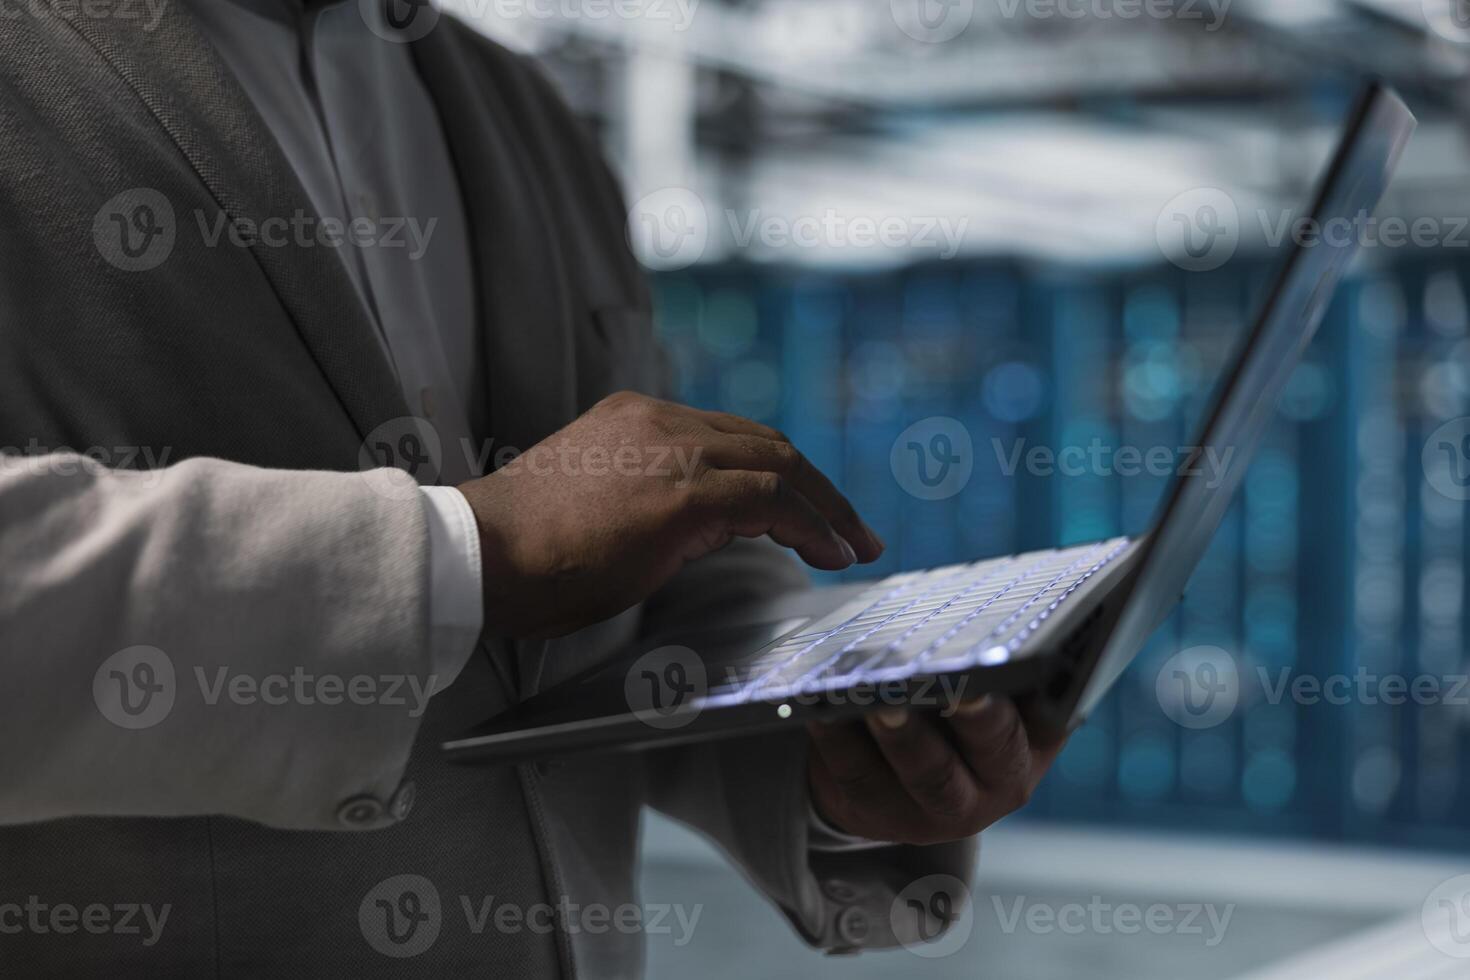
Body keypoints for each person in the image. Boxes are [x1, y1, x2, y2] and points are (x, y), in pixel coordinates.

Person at [0, 1, 1063, 975]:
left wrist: (828, 751)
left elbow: (626, 574)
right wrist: (469, 553)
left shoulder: (521, 111)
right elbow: (514, 551)